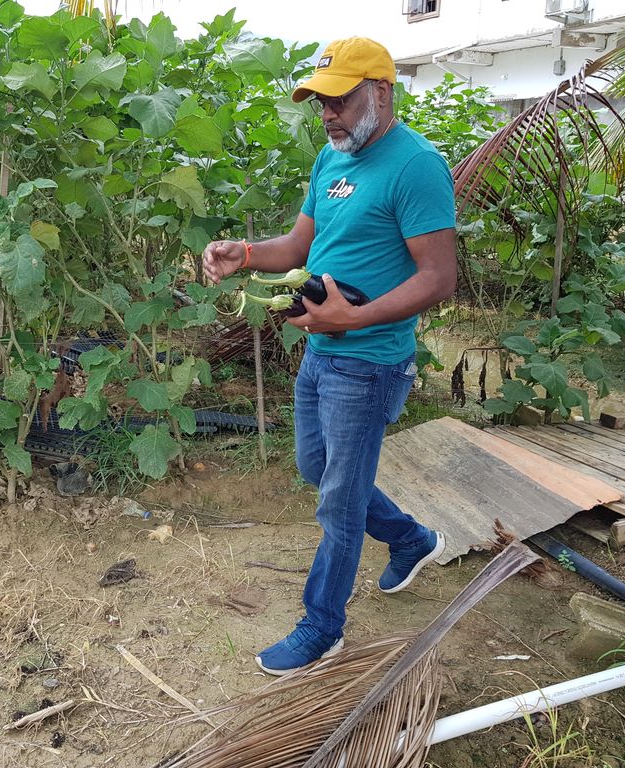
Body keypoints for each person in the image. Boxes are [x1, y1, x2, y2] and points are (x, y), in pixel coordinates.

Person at [201, 37, 458, 675]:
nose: (328, 113)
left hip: (370, 361)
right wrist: (246, 254)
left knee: (337, 501)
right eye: (321, 101)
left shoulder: (416, 165)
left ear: (382, 91)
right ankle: (413, 540)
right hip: (322, 350)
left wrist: (356, 317)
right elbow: (297, 245)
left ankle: (323, 626)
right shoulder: (331, 160)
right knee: (318, 470)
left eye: (340, 98)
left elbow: (438, 277)